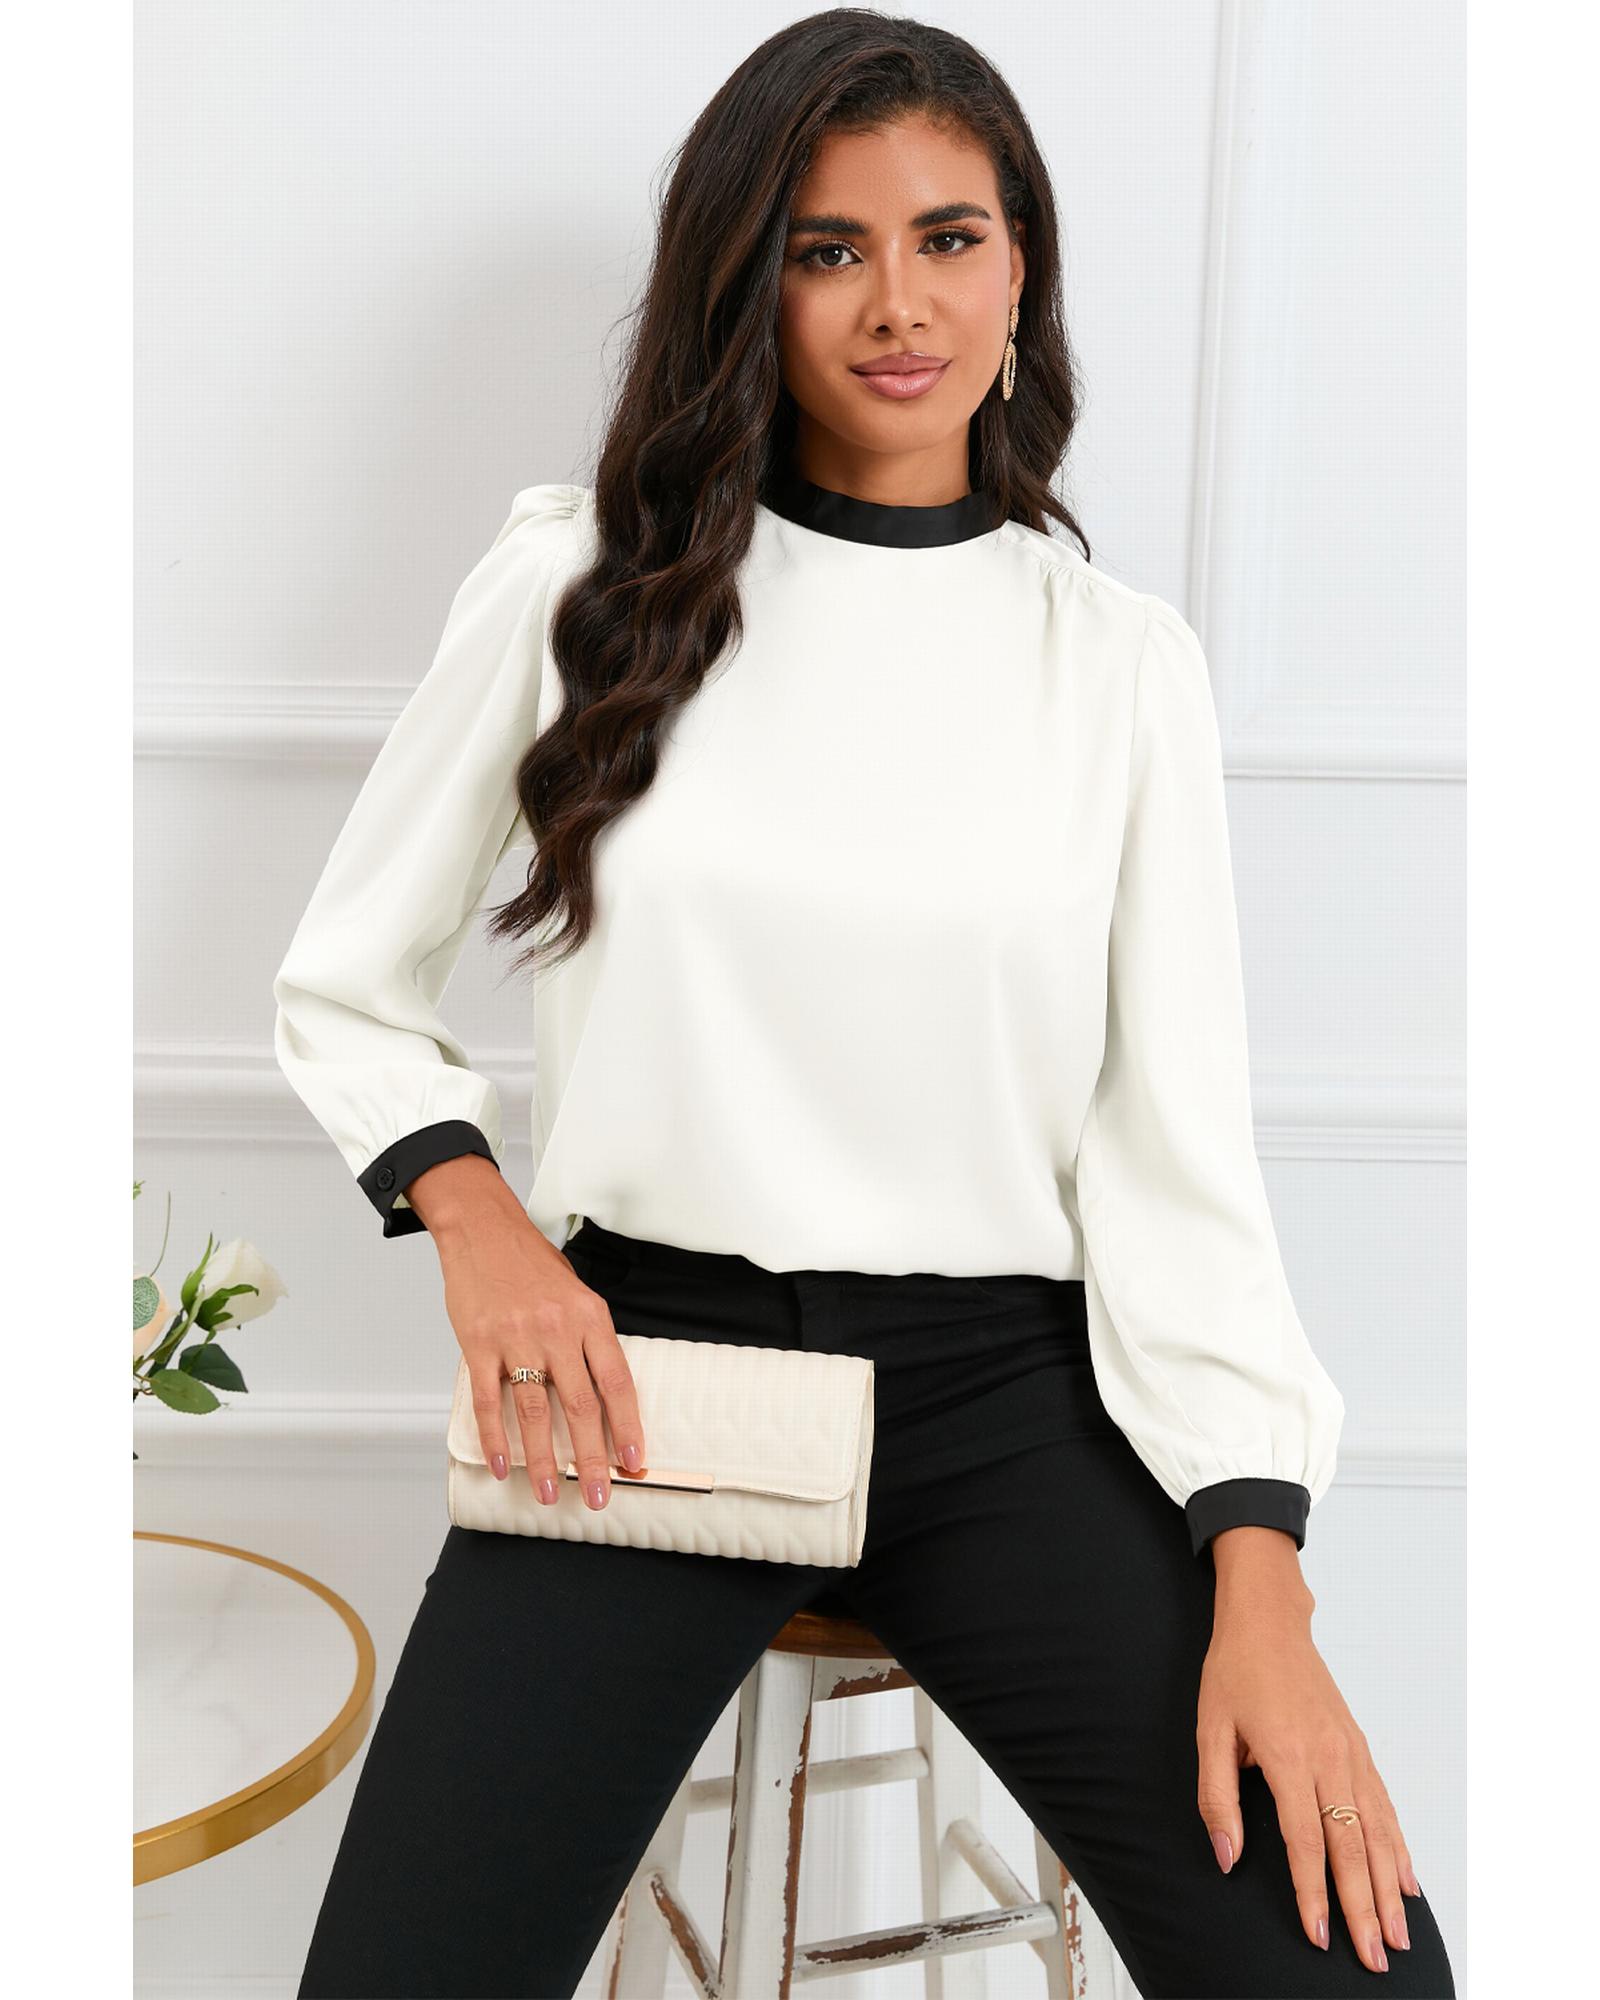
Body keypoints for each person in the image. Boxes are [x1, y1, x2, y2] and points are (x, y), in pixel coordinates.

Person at [271, 13, 1458, 1997]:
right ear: (748, 282)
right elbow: (345, 985)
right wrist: (478, 1227)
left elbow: (1174, 1163)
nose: (896, 304)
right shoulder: (582, 588)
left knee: (1352, 1974)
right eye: (826, 250)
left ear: (1021, 269)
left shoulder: (1116, 668)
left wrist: (1262, 1579)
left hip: (1013, 1405)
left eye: (947, 238)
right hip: (646, 1385)